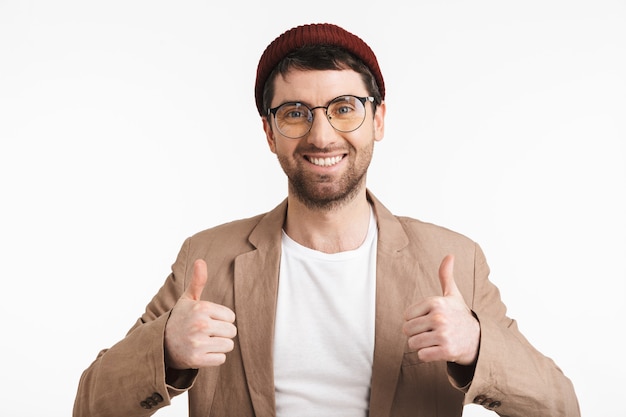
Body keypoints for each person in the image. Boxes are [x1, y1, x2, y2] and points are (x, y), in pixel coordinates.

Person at [73, 22, 580, 417]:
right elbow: (90, 405)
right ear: (270, 133)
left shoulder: (455, 258)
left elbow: (560, 406)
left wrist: (476, 348)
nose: (321, 135)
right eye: (295, 112)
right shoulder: (208, 258)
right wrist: (165, 351)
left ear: (378, 120)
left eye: (344, 108)